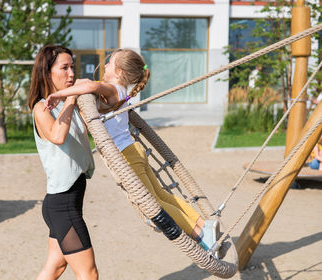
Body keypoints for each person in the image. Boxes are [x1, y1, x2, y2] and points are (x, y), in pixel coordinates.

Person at [45, 48, 220, 253]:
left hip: (127, 156)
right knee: (162, 196)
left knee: (154, 205)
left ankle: (201, 235)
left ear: (119, 72)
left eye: (109, 64)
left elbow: (91, 85)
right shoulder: (120, 91)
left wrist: (58, 93)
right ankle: (204, 224)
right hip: (134, 151)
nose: (105, 66)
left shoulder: (112, 88)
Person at [28, 45, 98, 280]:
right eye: (64, 68)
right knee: (89, 274)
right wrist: (71, 98)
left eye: (73, 68)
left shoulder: (70, 105)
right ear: (48, 73)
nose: (71, 74)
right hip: (62, 206)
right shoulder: (42, 107)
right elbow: (57, 136)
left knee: (55, 268)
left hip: (67, 203)